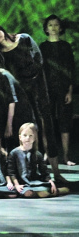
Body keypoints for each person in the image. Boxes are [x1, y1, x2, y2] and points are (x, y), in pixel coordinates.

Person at [0, 20, 65, 183]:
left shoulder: (24, 38)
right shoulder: (0, 54)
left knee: (47, 127)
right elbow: (10, 76)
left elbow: (39, 60)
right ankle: (34, 173)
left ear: (0, 28)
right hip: (23, 94)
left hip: (39, 87)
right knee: (30, 129)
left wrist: (29, 76)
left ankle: (57, 173)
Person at [39, 15, 75, 166]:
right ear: (46, 29)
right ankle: (48, 154)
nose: (53, 27)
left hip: (63, 89)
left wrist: (70, 91)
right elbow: (40, 70)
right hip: (47, 90)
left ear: (60, 28)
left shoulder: (66, 46)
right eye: (50, 25)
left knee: (65, 122)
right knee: (47, 123)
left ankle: (66, 156)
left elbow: (71, 69)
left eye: (56, 25)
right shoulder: (42, 47)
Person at [7, 122, 69, 198]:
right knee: (28, 193)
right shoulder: (14, 153)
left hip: (35, 182)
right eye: (25, 135)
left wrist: (51, 182)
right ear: (20, 137)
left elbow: (44, 172)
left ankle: (54, 191)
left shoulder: (37, 154)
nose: (28, 138)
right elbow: (11, 172)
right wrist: (16, 185)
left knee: (43, 192)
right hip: (22, 183)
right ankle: (46, 193)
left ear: (34, 138)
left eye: (30, 135)